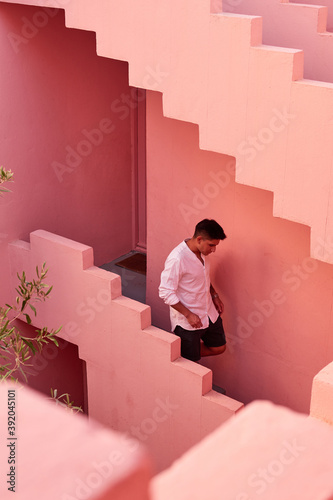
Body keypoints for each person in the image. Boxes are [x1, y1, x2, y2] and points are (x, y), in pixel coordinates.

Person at [159, 219, 227, 362]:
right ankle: (182, 355)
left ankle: (185, 353)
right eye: (211, 245)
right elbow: (165, 292)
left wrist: (214, 295)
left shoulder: (203, 253)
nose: (213, 250)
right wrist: (188, 314)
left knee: (219, 347)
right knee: (190, 362)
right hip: (188, 322)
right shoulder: (177, 259)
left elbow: (203, 277)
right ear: (199, 239)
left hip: (209, 313)